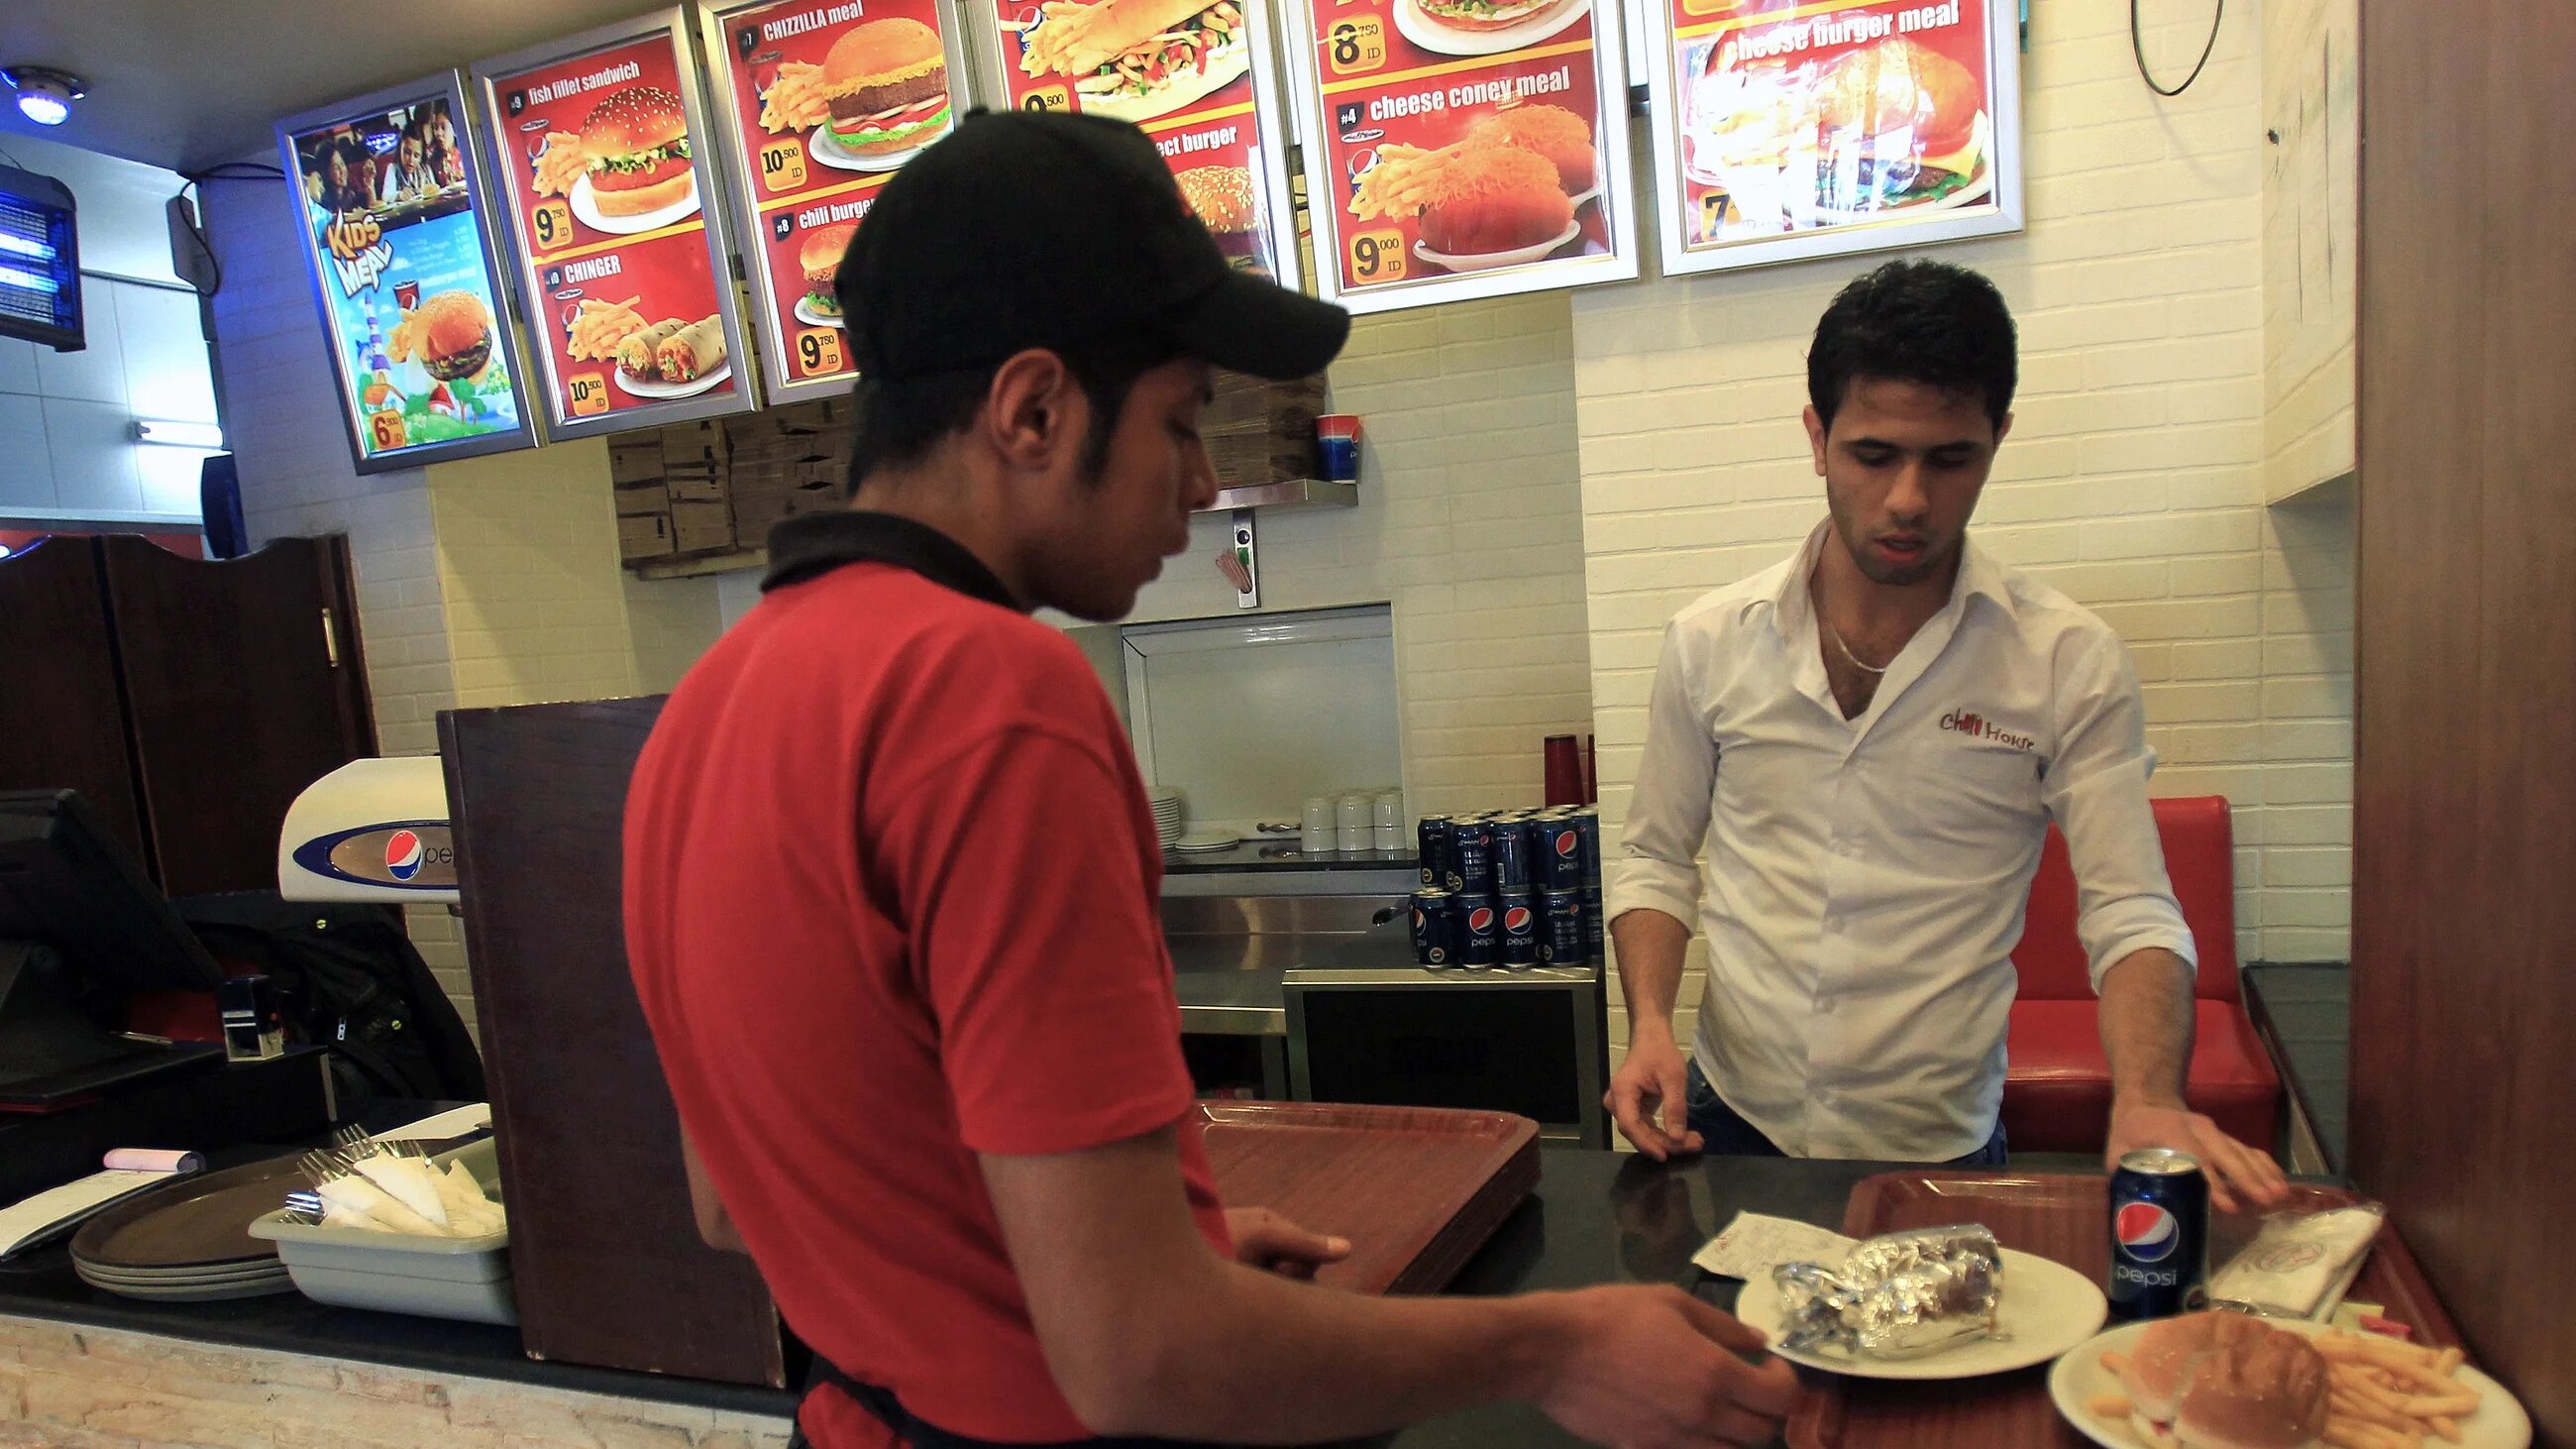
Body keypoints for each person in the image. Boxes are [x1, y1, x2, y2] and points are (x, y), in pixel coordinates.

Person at [623, 110, 1796, 1449]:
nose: (1201, 481)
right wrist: (1562, 1340)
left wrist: (1137, 1242)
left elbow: (747, 1203)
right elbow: (1145, 1358)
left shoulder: (702, 712)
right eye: (1182, 422)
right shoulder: (992, 695)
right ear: (1033, 409)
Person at [1603, 259, 2293, 1215]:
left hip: (1940, 1146)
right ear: (1817, 437)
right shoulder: (1711, 641)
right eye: (1874, 454)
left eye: (1951, 458)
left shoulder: (2064, 661)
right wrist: (1646, 1026)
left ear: (1998, 439)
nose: (1909, 500)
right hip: (1729, 1119)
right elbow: (1655, 857)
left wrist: (2146, 1096)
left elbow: (2132, 909)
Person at [376, 129, 435, 203]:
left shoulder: (425, 169)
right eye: (407, 152)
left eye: (416, 156)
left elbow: (434, 190)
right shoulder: (393, 169)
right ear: (399, 149)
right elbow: (386, 196)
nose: (411, 160)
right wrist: (399, 195)